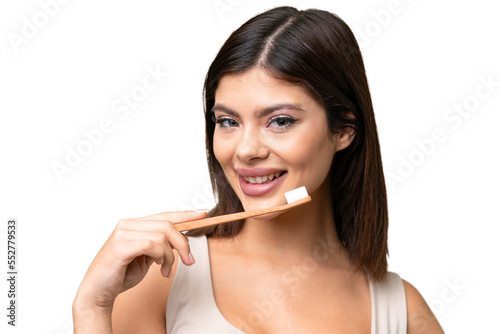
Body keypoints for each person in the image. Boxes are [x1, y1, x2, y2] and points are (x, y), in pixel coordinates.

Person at [73, 6, 444, 333]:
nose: (246, 151)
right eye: (228, 122)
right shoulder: (163, 276)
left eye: (280, 121)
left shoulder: (403, 314)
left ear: (344, 129)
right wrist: (91, 309)